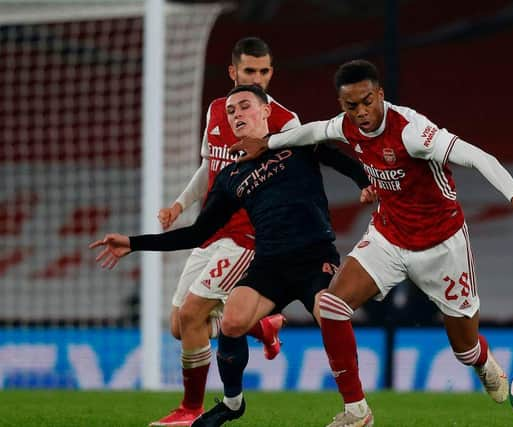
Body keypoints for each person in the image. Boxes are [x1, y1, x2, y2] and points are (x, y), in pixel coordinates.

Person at [230, 59, 513, 427]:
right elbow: (313, 132)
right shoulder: (347, 125)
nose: (361, 112)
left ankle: (482, 361)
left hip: (442, 244)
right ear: (343, 105)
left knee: (464, 349)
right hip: (389, 236)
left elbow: (477, 156)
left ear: (380, 94)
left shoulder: (412, 132)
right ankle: (357, 411)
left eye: (367, 101)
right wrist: (267, 144)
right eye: (351, 106)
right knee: (333, 305)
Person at [90, 84, 374, 427]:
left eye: (244, 107)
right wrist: (133, 243)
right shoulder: (230, 176)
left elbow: (341, 160)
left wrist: (366, 182)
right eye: (231, 111)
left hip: (314, 256)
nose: (237, 114)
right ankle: (232, 402)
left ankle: (357, 411)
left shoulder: (296, 141)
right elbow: (198, 234)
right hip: (269, 264)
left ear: (267, 110)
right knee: (233, 320)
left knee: (327, 310)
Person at [150, 37, 300, 426]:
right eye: (250, 71)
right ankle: (260, 323)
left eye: (264, 71)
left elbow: (297, 185)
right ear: (233, 72)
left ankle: (191, 409)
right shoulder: (218, 110)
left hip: (249, 238)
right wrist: (179, 206)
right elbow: (208, 167)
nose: (258, 78)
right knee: (179, 326)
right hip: (211, 232)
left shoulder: (286, 122)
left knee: (194, 314)